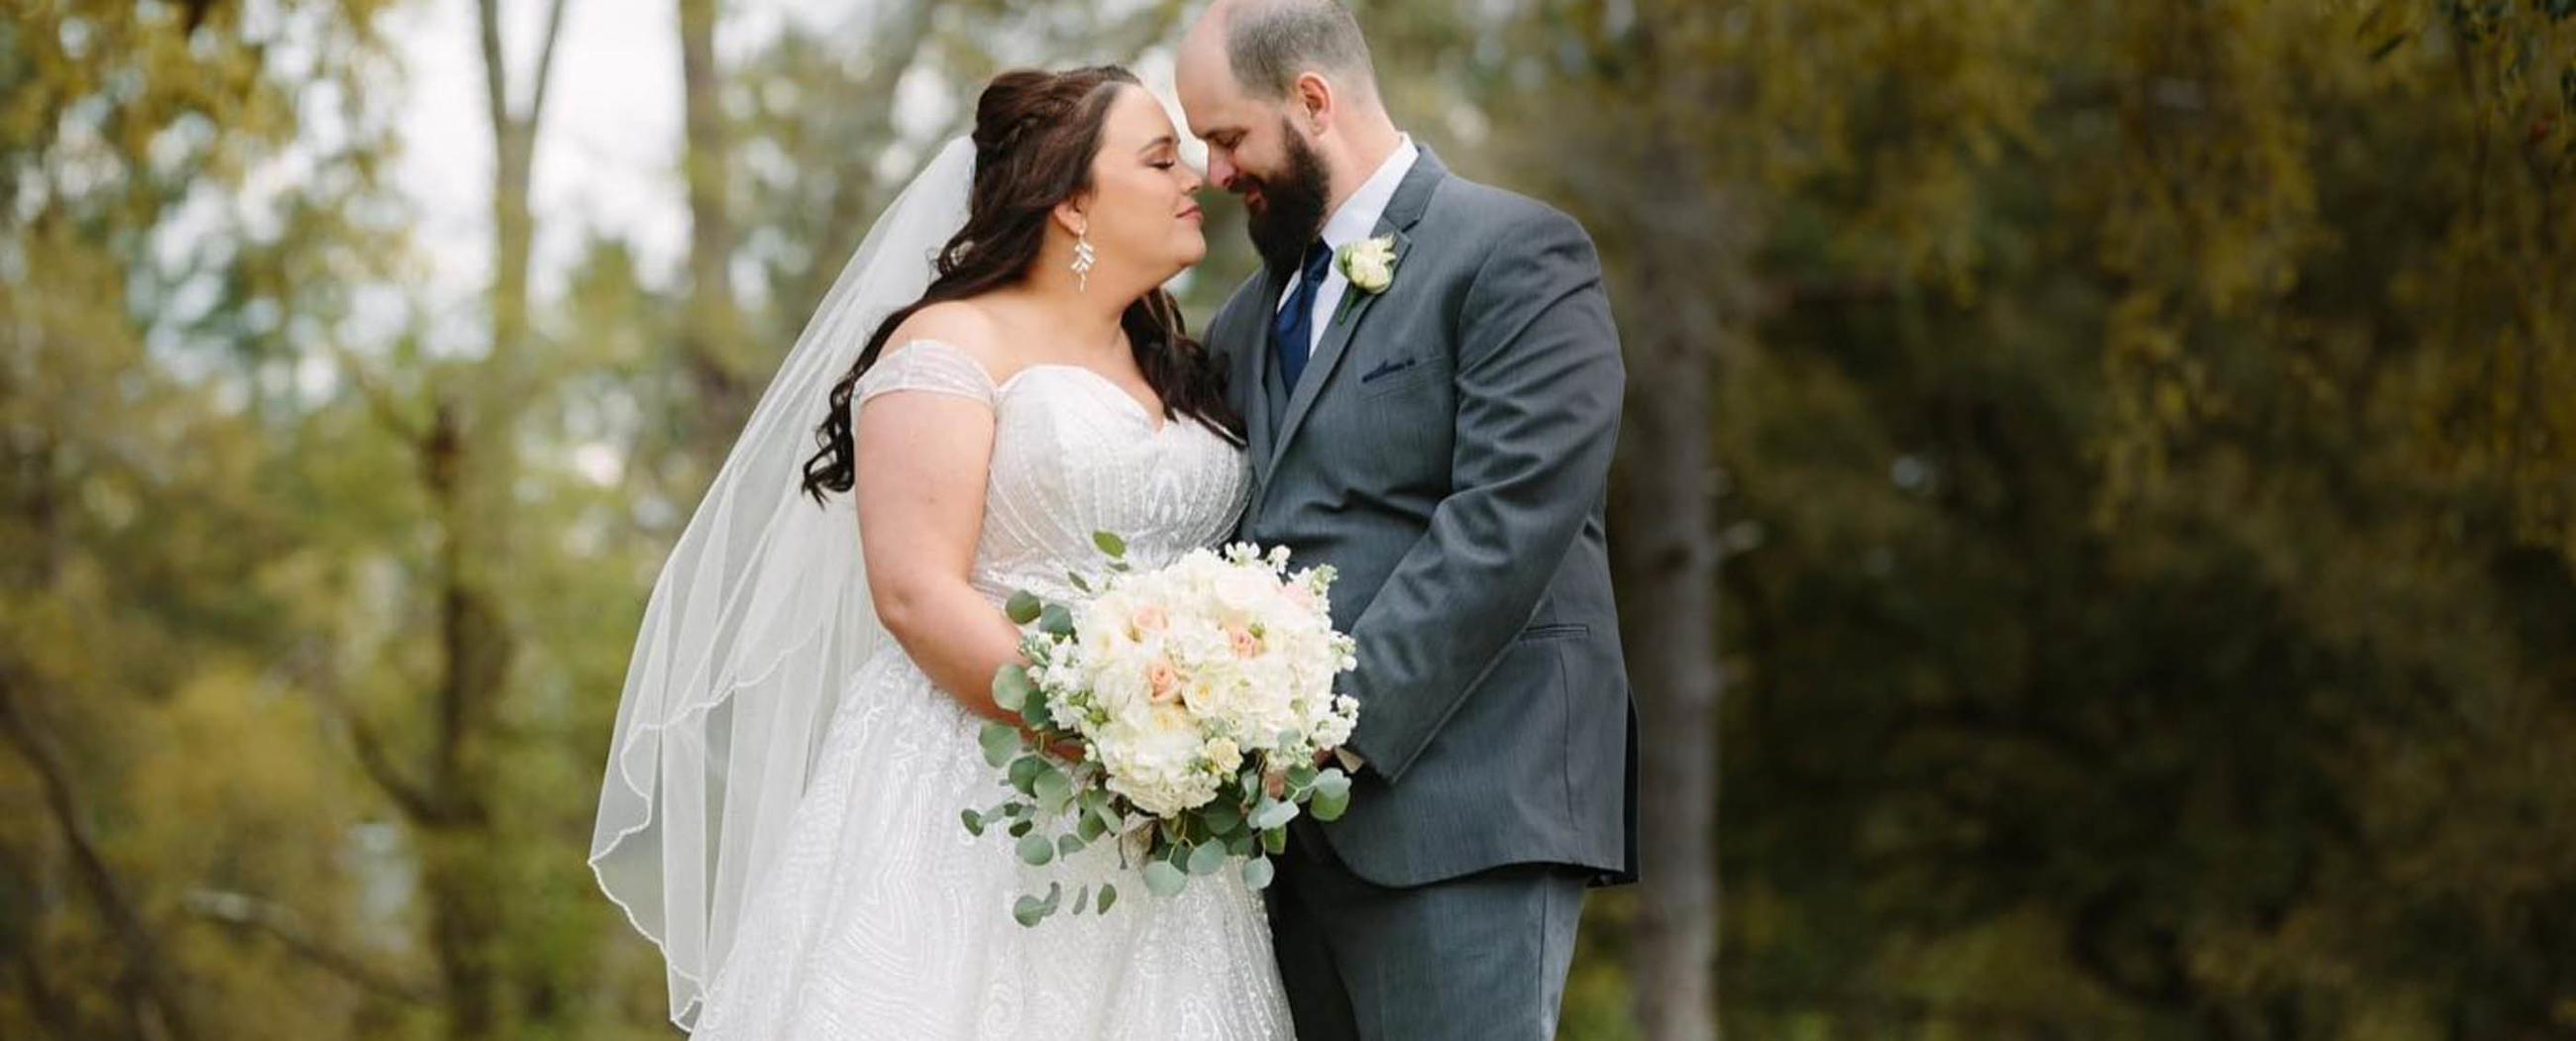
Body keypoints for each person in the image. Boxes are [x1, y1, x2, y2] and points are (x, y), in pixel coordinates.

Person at [589, 66, 1294, 1038]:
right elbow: (915, 592)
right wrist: (1113, 739)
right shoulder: (949, 344)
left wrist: (1197, 737)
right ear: (1072, 202)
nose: (1197, 180)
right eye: (1160, 157)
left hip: (1166, 835)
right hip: (982, 786)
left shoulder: (1179, 365)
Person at [1176, 1, 1640, 1038]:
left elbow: (1508, 521)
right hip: (1278, 852)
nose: (1214, 174)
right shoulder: (1245, 320)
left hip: (1462, 813)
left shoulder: (1515, 254)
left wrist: (1325, 730)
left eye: (1226, 137)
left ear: (1311, 100)